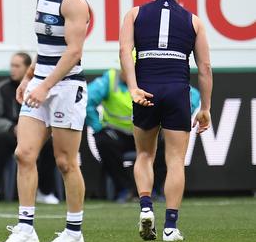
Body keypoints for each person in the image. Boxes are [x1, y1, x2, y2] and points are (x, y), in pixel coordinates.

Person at [0, 0, 90, 242]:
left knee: (66, 162)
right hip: (41, 83)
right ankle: (26, 230)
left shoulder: (73, 0)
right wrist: (28, 77)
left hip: (66, 88)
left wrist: (45, 85)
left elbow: (74, 52)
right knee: (24, 153)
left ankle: (74, 235)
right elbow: (48, 49)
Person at [119, 0, 213, 242]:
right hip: (177, 90)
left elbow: (125, 51)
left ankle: (146, 207)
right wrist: (205, 108)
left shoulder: (134, 14)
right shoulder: (194, 21)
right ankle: (171, 227)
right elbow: (205, 67)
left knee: (145, 155)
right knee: (175, 161)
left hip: (146, 89)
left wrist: (134, 87)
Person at [86, 68, 201, 202]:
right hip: (118, 135)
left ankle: (155, 189)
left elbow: (192, 95)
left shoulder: (154, 78)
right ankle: (125, 189)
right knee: (102, 140)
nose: (124, 72)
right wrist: (98, 127)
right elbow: (88, 99)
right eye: (123, 67)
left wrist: (175, 119)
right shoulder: (110, 79)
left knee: (168, 142)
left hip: (148, 132)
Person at [0, 52, 59, 206]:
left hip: (37, 134)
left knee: (50, 145)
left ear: (28, 68)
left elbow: (50, 113)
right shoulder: (1, 89)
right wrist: (11, 128)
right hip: (12, 134)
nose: (12, 69)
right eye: (11, 66)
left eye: (17, 66)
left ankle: (45, 191)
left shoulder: (40, 89)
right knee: (0, 141)